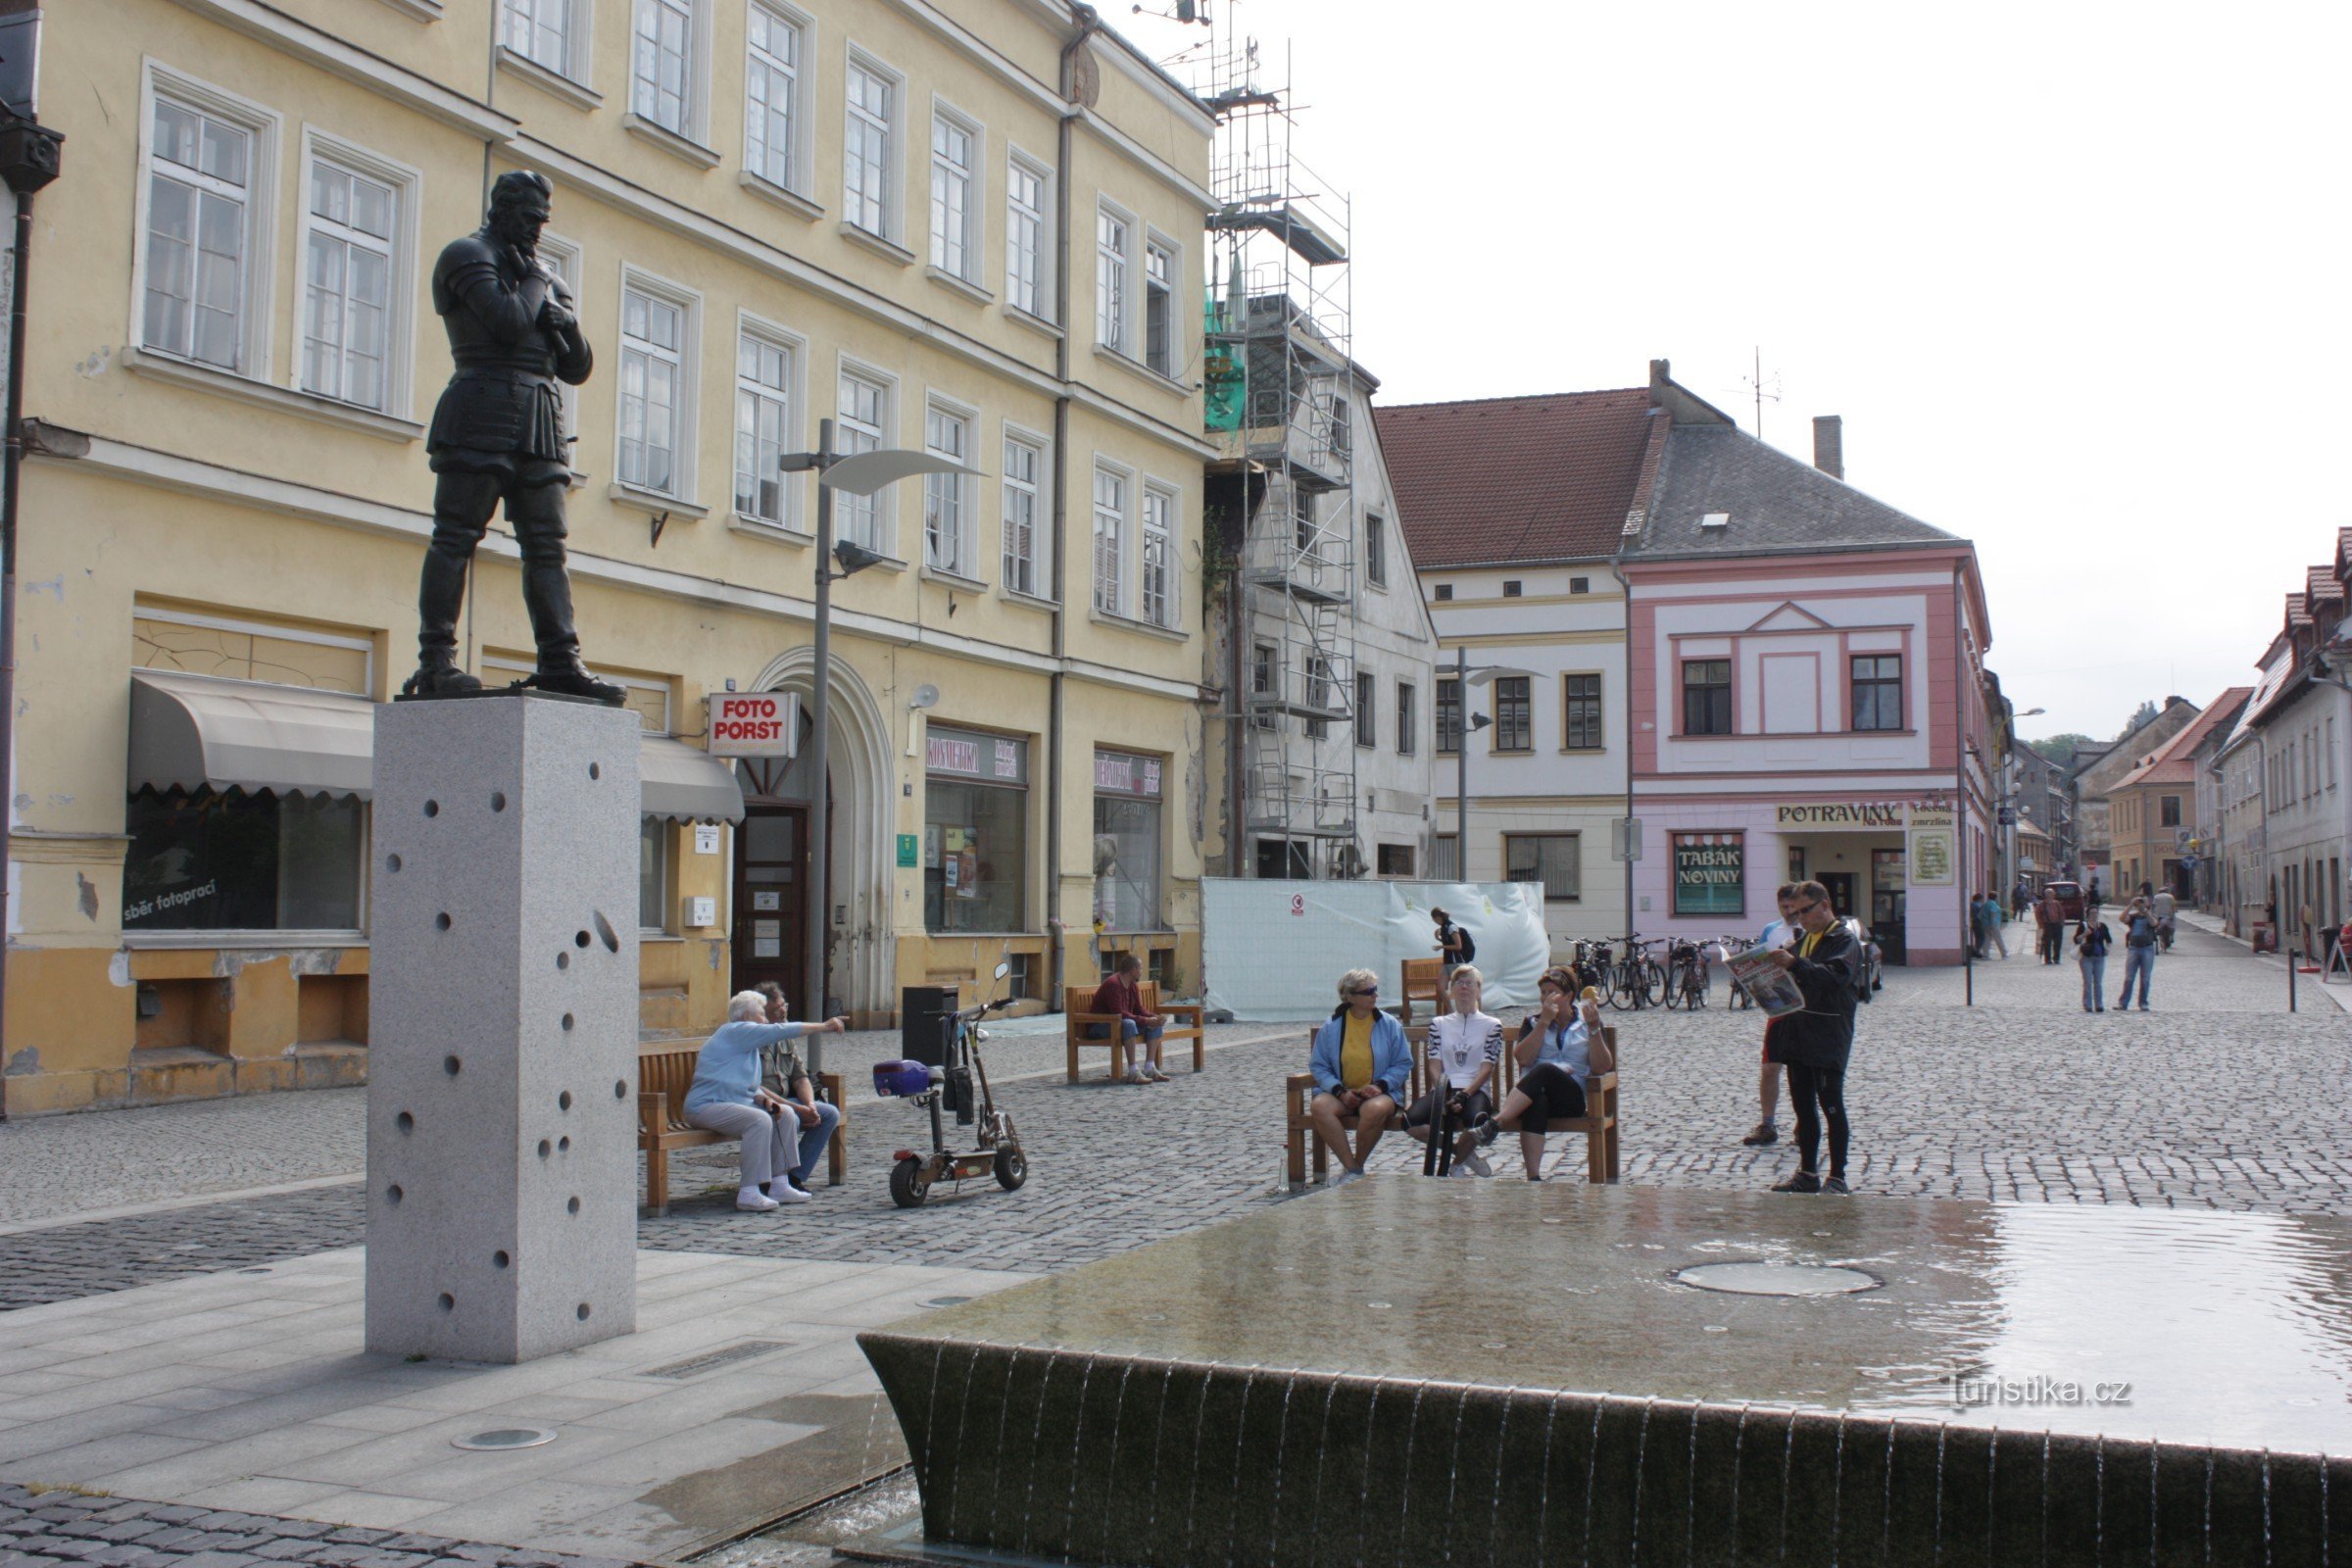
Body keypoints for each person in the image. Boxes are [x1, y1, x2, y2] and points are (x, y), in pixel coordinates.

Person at [405, 171, 620, 704]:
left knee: (547, 548)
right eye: (529, 218)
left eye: (543, 220)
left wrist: (564, 324)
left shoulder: (541, 274)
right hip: (481, 405)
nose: (537, 230)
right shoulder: (466, 255)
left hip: (541, 418)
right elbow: (505, 322)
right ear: (502, 209)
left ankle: (559, 660)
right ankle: (436, 661)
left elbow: (577, 366)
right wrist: (538, 282)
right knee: (456, 536)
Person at [684, 991, 849, 1210]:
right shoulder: (735, 1031)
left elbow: (747, 1086)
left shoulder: (745, 1047)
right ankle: (749, 1191)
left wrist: (765, 1101)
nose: (765, 1020)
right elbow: (781, 1030)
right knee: (759, 1121)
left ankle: (780, 1183)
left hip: (732, 1103)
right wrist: (824, 1026)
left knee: (785, 1114)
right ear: (745, 1017)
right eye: (761, 1014)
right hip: (706, 1106)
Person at [1762, 881, 1861, 1196]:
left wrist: (1795, 963)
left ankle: (1838, 1176)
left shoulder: (1843, 939)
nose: (1800, 917)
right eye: (1795, 911)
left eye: (1806, 910)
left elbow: (1835, 977)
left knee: (1831, 1105)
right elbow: (1789, 977)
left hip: (1829, 1033)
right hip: (1798, 1031)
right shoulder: (1802, 939)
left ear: (1825, 904)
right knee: (1803, 1108)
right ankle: (1807, 1172)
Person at [1485, 967, 1613, 1181]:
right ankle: (1533, 1178)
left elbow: (1601, 1067)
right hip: (1533, 1097)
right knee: (1538, 1101)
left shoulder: (1587, 1022)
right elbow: (1524, 1059)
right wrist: (1543, 1023)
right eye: (1543, 992)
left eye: (1551, 992)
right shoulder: (1533, 1022)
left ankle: (1496, 1122)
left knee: (1546, 1070)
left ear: (1569, 996)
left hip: (1571, 1100)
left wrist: (1593, 1029)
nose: (1545, 998)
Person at [1306, 968, 1413, 1186]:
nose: (1375, 995)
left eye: (1376, 990)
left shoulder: (1389, 1024)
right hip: (1342, 1091)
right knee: (1319, 1107)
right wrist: (1340, 1091)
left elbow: (1403, 1063)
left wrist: (1381, 1086)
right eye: (1369, 991)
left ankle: (1357, 1165)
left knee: (1374, 1110)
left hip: (1380, 1093)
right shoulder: (1332, 1026)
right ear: (1351, 996)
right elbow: (1319, 1066)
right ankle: (1352, 1167)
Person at [1403, 965, 1501, 1177]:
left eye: (1470, 983)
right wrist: (1443, 1093)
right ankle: (1460, 1151)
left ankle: (1456, 1165)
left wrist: (1465, 1094)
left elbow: (1487, 1067)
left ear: (1478, 990)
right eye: (1459, 982)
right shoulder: (1439, 1024)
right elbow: (1434, 1062)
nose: (1464, 987)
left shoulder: (1492, 1025)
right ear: (1451, 990)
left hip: (1475, 1089)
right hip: (1445, 1086)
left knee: (1476, 1122)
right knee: (1410, 1121)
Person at [754, 983, 843, 1194]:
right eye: (777, 1009)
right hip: (759, 1103)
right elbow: (753, 1087)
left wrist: (810, 1104)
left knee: (828, 1113)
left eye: (784, 1005)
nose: (783, 1011)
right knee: (789, 1116)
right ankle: (774, 1178)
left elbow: (800, 1077)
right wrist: (796, 1108)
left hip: (787, 1101)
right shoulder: (753, 1040)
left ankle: (793, 1177)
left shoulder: (785, 1038)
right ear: (762, 1013)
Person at [1740, 885, 1804, 1147]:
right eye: (1784, 907)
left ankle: (1805, 1123)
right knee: (1769, 1067)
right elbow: (1760, 963)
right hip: (1779, 1006)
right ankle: (1767, 1123)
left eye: (1792, 907)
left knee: (1803, 1070)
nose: (1788, 912)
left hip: (1806, 1006)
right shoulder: (1772, 930)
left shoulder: (1811, 931)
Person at [1088, 952, 1168, 1083]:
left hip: (1119, 1024)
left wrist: (1154, 1018)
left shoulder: (1132, 985)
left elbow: (1139, 1009)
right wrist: (1146, 1021)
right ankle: (1133, 1071)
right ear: (1133, 970)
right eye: (1140, 968)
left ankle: (1149, 1067)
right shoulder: (1113, 984)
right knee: (1129, 1024)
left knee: (1154, 1025)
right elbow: (1118, 1013)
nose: (1142, 971)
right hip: (1100, 1025)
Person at [2117, 896, 2161, 1010]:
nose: (2141, 904)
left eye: (2143, 902)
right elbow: (2121, 919)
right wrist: (2130, 905)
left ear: (2147, 904)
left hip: (2147, 948)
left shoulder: (2151, 915)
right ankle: (2123, 1002)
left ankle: (2143, 1002)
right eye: (2139, 902)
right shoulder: (2133, 917)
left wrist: (2145, 911)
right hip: (2133, 948)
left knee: (2145, 977)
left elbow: (2154, 923)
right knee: (2129, 977)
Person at [2075, 907, 2113, 1013]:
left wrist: (2107, 949)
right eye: (2092, 913)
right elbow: (2076, 940)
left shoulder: (2102, 926)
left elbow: (2109, 940)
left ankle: (2099, 1004)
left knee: (2098, 982)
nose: (2094, 915)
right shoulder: (2083, 925)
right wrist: (2084, 934)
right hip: (2086, 957)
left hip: (2099, 957)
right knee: (2087, 982)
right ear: (2088, 914)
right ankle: (2087, 1005)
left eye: (2096, 913)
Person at [1431, 907, 1474, 973]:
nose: (1434, 921)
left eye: (1434, 919)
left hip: (1455, 961)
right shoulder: (1444, 927)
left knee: (1454, 982)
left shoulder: (1451, 927)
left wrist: (1441, 946)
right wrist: (1439, 939)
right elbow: (1449, 942)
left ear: (1437, 917)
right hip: (1448, 961)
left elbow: (1458, 946)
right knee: (1442, 982)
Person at [2034, 886, 2066, 965]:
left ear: (2053, 895)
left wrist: (2062, 923)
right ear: (2045, 895)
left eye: (2051, 894)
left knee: (2058, 942)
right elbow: (2037, 914)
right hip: (2047, 925)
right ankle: (2048, 959)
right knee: (2047, 943)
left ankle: (2057, 958)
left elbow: (2062, 913)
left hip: (2057, 925)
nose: (2050, 895)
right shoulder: (2042, 904)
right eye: (2048, 894)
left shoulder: (2056, 903)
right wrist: (2041, 924)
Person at [2150, 885, 2178, 951]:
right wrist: (2173, 913)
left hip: (2158, 915)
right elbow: (2173, 905)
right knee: (2173, 925)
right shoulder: (2171, 896)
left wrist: (2152, 913)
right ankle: (2171, 937)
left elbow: (2153, 905)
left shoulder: (2156, 897)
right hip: (2168, 914)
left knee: (2155, 926)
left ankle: (2155, 933)